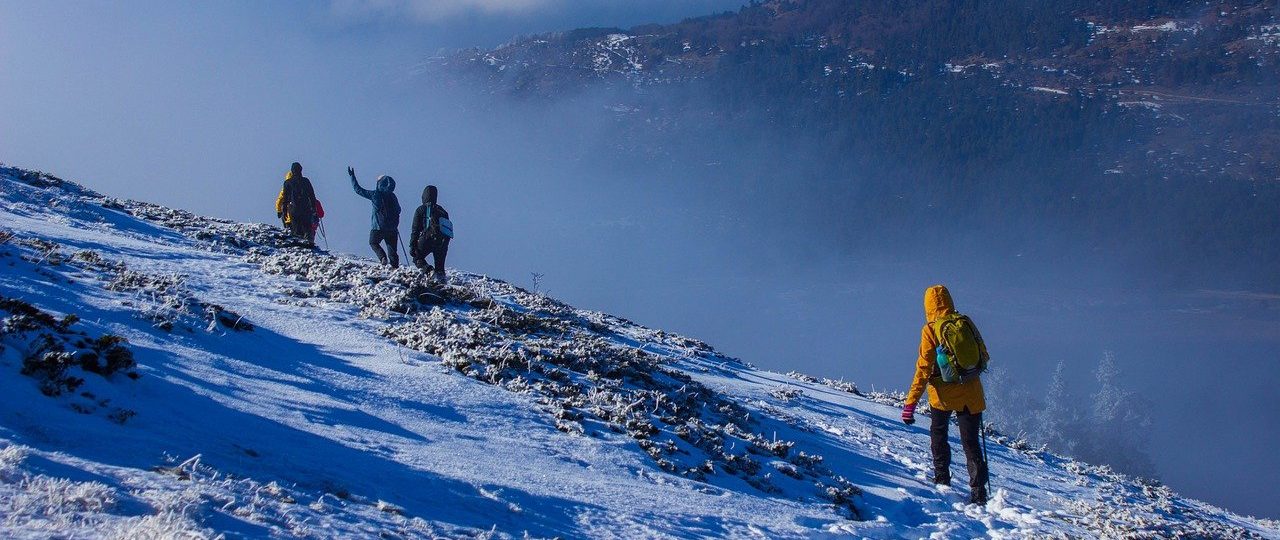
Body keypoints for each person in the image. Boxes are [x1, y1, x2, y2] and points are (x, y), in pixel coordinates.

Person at [901, 285, 990, 505]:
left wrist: (910, 403)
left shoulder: (930, 329)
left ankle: (942, 479)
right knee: (971, 443)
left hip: (942, 395)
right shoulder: (965, 322)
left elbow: (923, 368)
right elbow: (984, 356)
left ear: (928, 305)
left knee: (938, 434)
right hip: (971, 392)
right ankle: (978, 493)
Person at [348, 166, 400, 268]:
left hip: (378, 227)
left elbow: (358, 190)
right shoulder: (393, 196)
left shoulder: (375, 194)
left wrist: (352, 176)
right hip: (392, 228)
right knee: (392, 248)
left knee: (373, 242)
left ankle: (382, 258)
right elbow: (398, 210)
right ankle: (395, 267)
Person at [409, 185, 450, 281]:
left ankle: (429, 271)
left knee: (417, 258)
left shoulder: (421, 209)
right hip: (442, 241)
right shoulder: (443, 211)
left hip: (427, 238)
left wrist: (412, 245)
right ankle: (441, 283)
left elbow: (415, 230)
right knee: (440, 267)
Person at [275, 162, 318, 245]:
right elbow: (312, 195)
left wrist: (283, 210)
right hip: (306, 209)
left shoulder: (287, 182)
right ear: (301, 170)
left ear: (292, 171)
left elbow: (285, 198)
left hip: (293, 209)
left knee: (296, 229)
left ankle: (297, 245)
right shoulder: (306, 181)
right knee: (307, 228)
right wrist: (313, 208)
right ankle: (309, 244)